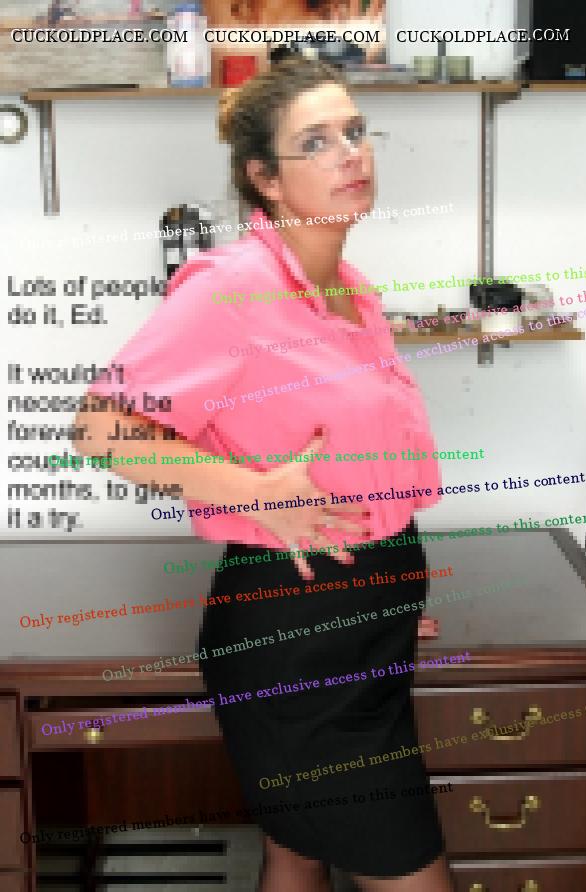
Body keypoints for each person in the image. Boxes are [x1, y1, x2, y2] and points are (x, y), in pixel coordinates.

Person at [76, 57, 451, 892]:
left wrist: (384, 599)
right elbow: (101, 428)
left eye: (354, 131)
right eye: (314, 142)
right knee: (404, 869)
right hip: (293, 638)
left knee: (295, 848)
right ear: (264, 179)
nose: (349, 153)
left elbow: (368, 479)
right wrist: (256, 494)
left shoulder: (350, 290)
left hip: (360, 615)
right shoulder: (233, 288)